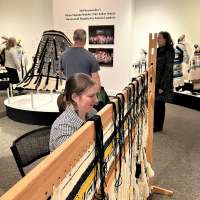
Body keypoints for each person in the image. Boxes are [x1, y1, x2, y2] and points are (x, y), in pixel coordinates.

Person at [49, 73, 98, 152]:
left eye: (95, 94)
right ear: (75, 97)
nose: (96, 100)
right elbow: (70, 161)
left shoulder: (92, 112)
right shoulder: (64, 129)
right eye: (91, 96)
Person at [154, 31, 175, 132]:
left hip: (163, 82)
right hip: (155, 81)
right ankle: (155, 124)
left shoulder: (169, 52)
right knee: (156, 103)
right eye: (157, 38)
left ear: (166, 39)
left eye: (160, 38)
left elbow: (168, 70)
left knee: (160, 103)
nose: (158, 40)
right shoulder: (158, 50)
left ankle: (159, 126)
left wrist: (162, 86)